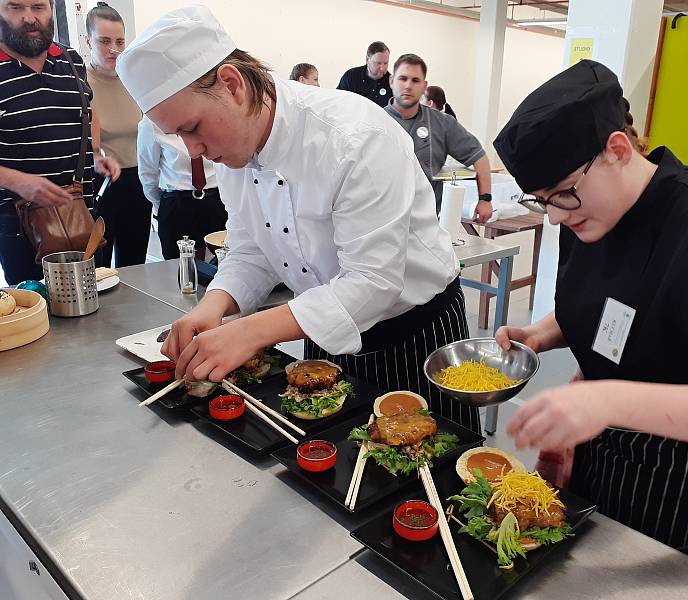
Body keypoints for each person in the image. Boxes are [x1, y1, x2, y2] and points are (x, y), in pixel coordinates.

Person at [493, 59, 688, 573]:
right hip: (607, 451)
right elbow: (613, 306)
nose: (556, 216)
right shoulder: (588, 216)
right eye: (543, 202)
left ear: (617, 149)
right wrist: (540, 334)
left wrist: (606, 399)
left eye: (564, 195)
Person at [117, 6, 480, 432]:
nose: (192, 149)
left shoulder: (354, 136)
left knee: (430, 482)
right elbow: (252, 248)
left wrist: (250, 331)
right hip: (322, 339)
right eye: (177, 136)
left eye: (191, 127)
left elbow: (373, 282)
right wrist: (214, 306)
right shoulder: (235, 154)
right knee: (330, 478)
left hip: (415, 338)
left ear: (232, 84)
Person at [0, 0, 118, 285]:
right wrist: (17, 180)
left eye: (38, 7)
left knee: (93, 305)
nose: (29, 18)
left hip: (82, 219)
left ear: (51, 9)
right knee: (37, 317)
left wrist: (96, 152)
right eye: (15, 8)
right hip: (20, 229)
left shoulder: (71, 60)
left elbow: (87, 111)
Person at [385, 54, 492, 221]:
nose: (407, 86)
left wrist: (485, 199)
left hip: (426, 222)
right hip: (381, 222)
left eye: (415, 80)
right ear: (392, 81)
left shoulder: (442, 124)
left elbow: (480, 157)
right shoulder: (374, 120)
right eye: (402, 79)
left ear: (424, 86)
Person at [85, 2, 150, 268]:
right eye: (104, 41)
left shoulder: (135, 80)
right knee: (99, 266)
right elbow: (90, 145)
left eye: (120, 41)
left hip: (139, 180)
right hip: (103, 181)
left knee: (135, 264)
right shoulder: (81, 82)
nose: (114, 49)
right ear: (88, 41)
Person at [137, 116, 226, 260]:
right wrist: (162, 204)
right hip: (177, 205)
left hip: (216, 200)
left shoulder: (209, 110)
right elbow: (147, 175)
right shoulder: (153, 120)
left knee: (222, 265)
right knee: (178, 269)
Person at [336, 41, 391, 107]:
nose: (382, 68)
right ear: (367, 60)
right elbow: (338, 102)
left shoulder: (392, 83)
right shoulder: (351, 77)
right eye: (378, 63)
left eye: (385, 63)